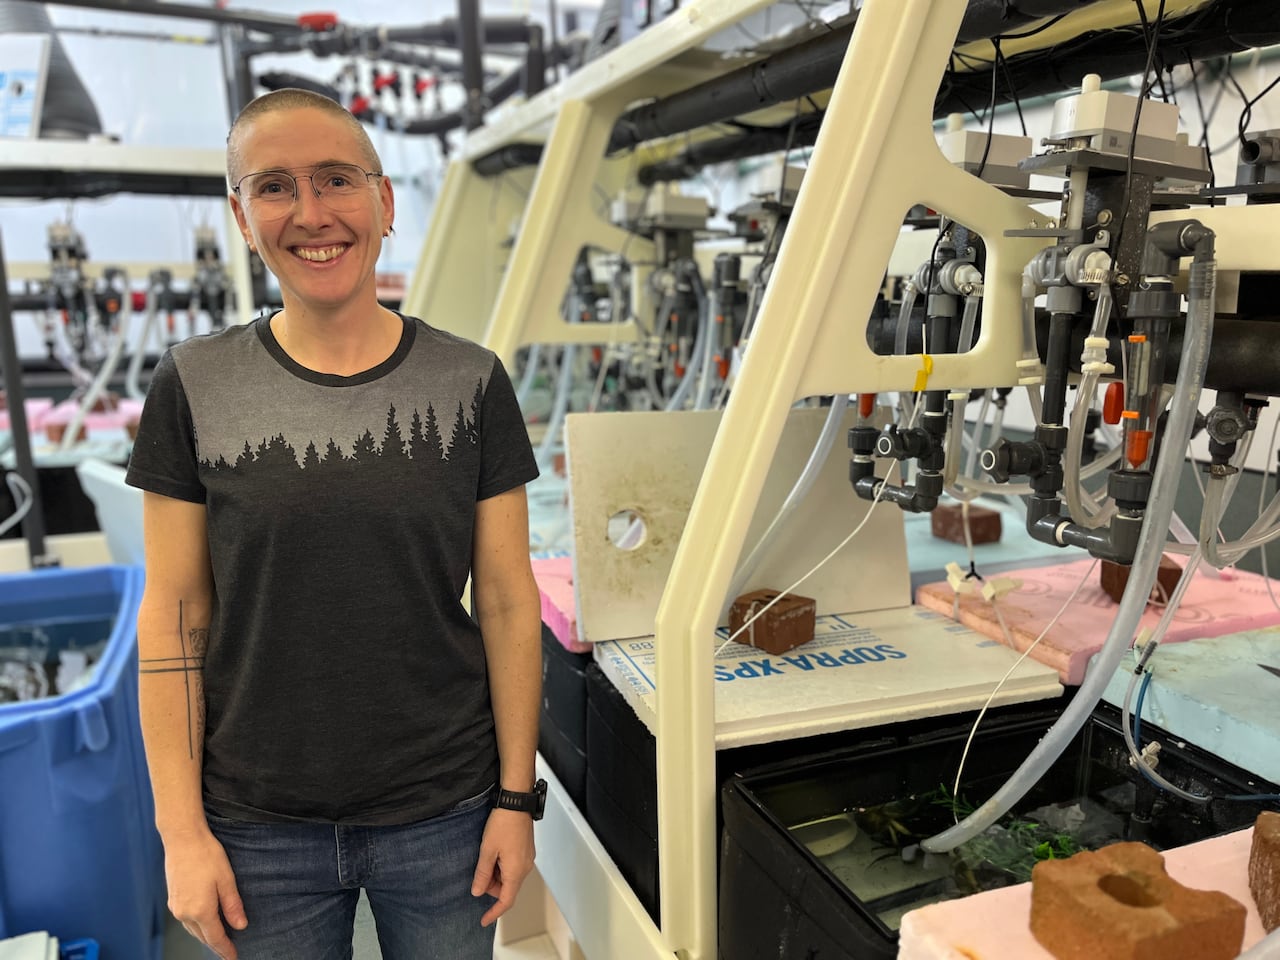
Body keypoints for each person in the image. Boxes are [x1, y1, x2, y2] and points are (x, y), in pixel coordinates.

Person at [127, 87, 543, 960]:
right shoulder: (194, 384)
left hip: (447, 816)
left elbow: (507, 602)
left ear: (384, 201)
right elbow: (172, 618)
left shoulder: (470, 382)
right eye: (274, 186)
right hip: (256, 825)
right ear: (241, 216)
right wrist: (181, 833)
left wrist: (515, 799)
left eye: (336, 180)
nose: (311, 214)